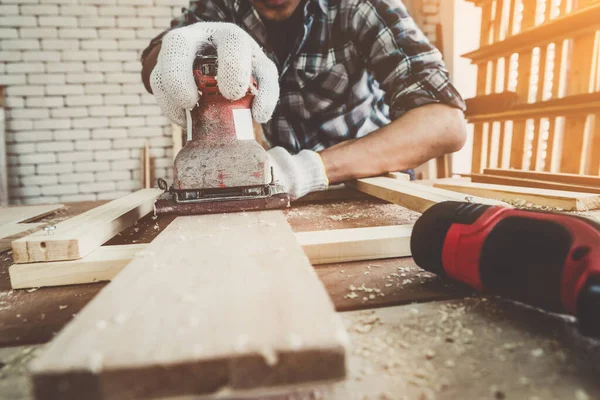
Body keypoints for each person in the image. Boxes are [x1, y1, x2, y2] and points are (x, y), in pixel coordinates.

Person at [140, 0, 467, 200]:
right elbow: (156, 58)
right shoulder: (223, 5)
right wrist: (173, 51)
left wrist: (307, 170)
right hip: (274, 191)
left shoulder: (359, 5)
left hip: (368, 187)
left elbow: (445, 124)